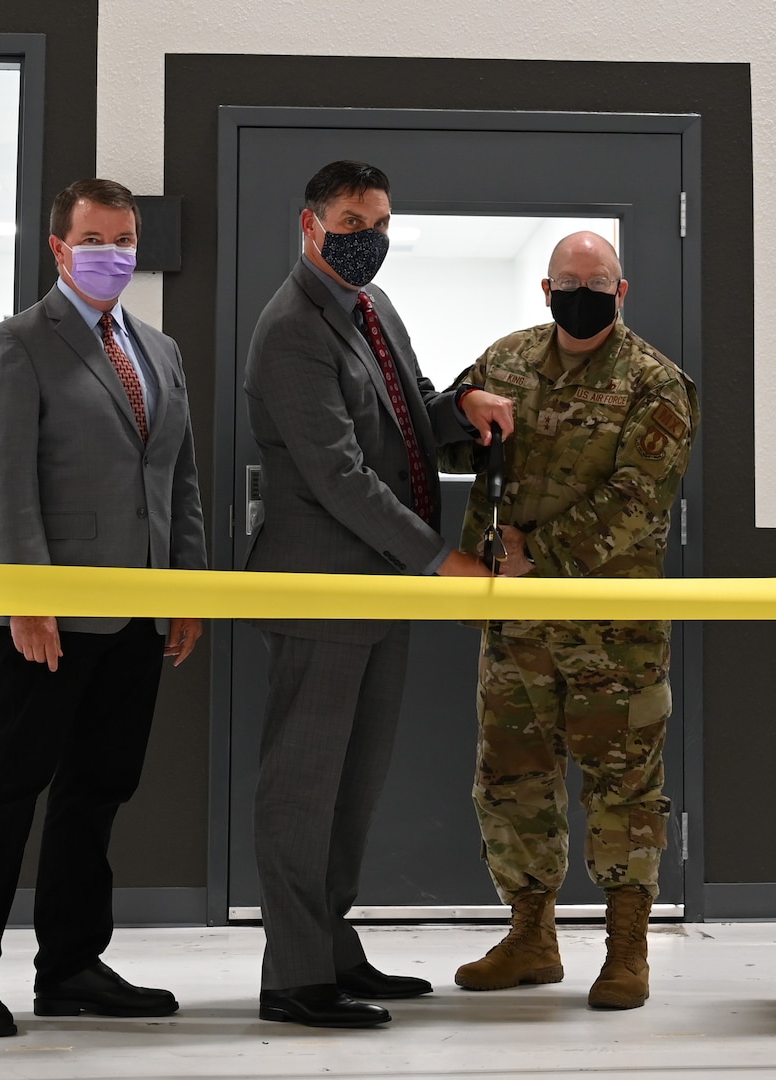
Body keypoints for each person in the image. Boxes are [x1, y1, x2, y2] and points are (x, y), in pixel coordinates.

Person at [241, 160, 515, 1028]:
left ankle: (331, 949)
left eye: (381, 220)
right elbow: (339, 477)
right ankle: (293, 977)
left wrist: (461, 402)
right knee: (301, 787)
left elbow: (403, 417)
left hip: (376, 588)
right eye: (353, 221)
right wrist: (441, 561)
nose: (371, 238)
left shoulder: (370, 308)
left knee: (349, 787)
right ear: (310, 225)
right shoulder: (290, 328)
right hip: (321, 588)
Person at [0, 178, 207, 1037]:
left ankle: (73, 966)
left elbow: (180, 482)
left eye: (124, 238)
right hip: (43, 617)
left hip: (137, 613)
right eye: (95, 239)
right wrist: (27, 594)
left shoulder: (159, 352)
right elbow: (1, 484)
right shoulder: (15, 344)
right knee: (12, 786)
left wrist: (186, 589)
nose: (113, 254)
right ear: (59, 248)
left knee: (98, 790)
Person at [446, 231, 697, 1010]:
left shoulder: (655, 382)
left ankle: (627, 950)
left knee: (623, 785)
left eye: (598, 282)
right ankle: (530, 937)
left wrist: (533, 553)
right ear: (546, 291)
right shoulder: (505, 361)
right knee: (511, 780)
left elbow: (638, 500)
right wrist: (461, 402)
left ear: (621, 293)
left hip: (611, 632)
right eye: (567, 282)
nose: (581, 293)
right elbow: (456, 425)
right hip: (517, 628)